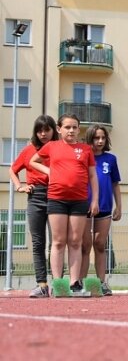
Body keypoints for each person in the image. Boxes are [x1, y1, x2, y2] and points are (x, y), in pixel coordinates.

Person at [29, 114, 98, 295]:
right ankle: (59, 285)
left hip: (79, 200)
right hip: (56, 198)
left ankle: (75, 283)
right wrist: (49, 171)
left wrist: (95, 200)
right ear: (59, 129)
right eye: (67, 127)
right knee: (58, 242)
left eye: (75, 127)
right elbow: (33, 161)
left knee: (75, 241)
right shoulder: (51, 146)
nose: (71, 130)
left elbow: (92, 176)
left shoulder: (85, 149)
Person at [10, 115, 58, 298]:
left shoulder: (58, 149)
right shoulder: (29, 150)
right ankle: (42, 285)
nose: (43, 134)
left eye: (47, 129)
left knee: (58, 242)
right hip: (35, 196)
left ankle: (58, 282)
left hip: (56, 195)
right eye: (40, 130)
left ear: (54, 130)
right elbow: (12, 170)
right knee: (38, 243)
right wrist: (19, 186)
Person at [80, 124, 122, 296]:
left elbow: (115, 184)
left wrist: (119, 206)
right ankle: (79, 282)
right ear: (90, 138)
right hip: (84, 206)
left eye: (103, 138)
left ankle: (102, 282)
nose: (100, 141)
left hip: (105, 206)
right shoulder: (83, 156)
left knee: (99, 244)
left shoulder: (110, 159)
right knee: (84, 245)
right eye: (97, 138)